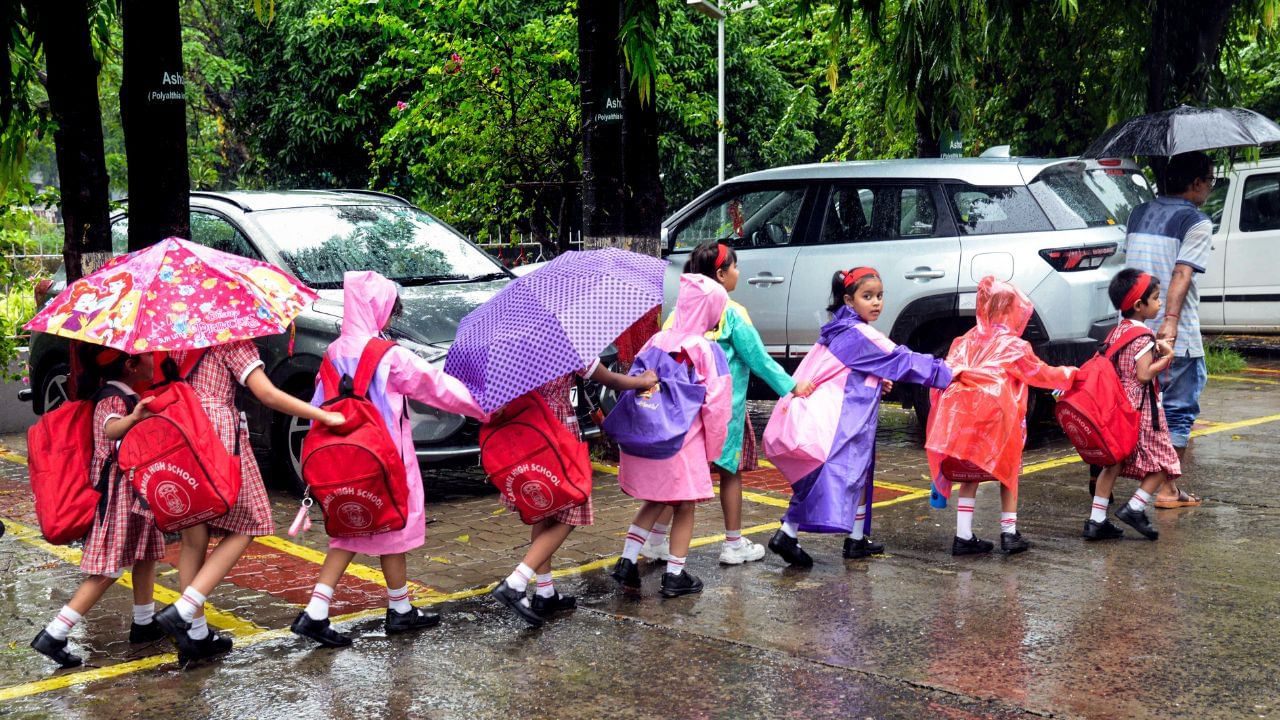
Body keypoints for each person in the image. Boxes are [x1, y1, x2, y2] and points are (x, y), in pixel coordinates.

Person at [291, 271, 490, 647]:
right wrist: (485, 406)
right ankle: (390, 610)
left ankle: (332, 610)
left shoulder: (333, 353)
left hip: (342, 459)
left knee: (349, 531)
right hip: (384, 459)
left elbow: (319, 404)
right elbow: (436, 387)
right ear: (379, 308)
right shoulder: (390, 355)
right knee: (393, 528)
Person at [152, 340, 345, 665]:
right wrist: (320, 414)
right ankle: (185, 609)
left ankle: (196, 633)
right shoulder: (231, 339)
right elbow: (266, 393)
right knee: (250, 522)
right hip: (215, 438)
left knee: (192, 538)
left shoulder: (175, 332)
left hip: (177, 430)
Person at [767, 267, 952, 567]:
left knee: (858, 474)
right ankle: (788, 531)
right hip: (841, 420)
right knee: (831, 476)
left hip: (837, 415)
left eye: (879, 296)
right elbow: (900, 358)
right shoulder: (860, 333)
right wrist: (947, 373)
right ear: (849, 300)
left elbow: (851, 367)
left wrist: (877, 380)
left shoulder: (839, 328)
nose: (876, 302)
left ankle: (855, 538)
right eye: (868, 297)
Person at [647, 242, 814, 566]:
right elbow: (759, 360)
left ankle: (654, 541)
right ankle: (733, 544)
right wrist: (792, 386)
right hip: (725, 411)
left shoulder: (680, 312)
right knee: (730, 474)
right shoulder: (734, 313)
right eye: (735, 267)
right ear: (721, 275)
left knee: (679, 476)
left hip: (686, 412)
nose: (739, 272)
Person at [489, 360, 658, 627]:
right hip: (557, 432)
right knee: (572, 510)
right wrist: (643, 381)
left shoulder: (512, 351)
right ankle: (516, 581)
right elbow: (610, 380)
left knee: (542, 512)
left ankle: (545, 592)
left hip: (527, 432)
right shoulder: (564, 341)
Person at [30, 346, 165, 668]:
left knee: (145, 554)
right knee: (108, 569)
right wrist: (134, 418)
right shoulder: (112, 398)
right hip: (116, 497)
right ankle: (55, 633)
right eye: (147, 356)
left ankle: (144, 621)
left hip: (133, 493)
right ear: (130, 364)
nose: (153, 360)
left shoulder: (128, 392)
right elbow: (111, 429)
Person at [926, 277, 1076, 556]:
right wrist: (1073, 376)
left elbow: (946, 372)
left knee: (968, 473)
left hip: (960, 416)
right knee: (1008, 471)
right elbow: (1040, 374)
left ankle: (963, 535)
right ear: (1012, 310)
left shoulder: (963, 341)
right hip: (997, 415)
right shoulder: (1013, 346)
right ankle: (1009, 533)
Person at [610, 274, 733, 598]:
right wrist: (713, 449)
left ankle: (626, 560)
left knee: (656, 499)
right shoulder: (707, 349)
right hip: (683, 443)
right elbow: (718, 405)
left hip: (648, 436)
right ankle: (675, 574)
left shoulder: (657, 340)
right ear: (710, 311)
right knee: (685, 505)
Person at [1123, 151, 1215, 508]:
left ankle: (1142, 485)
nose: (1209, 187)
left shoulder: (1138, 213)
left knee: (1141, 411)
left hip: (1132, 332)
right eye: (1210, 180)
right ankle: (1164, 490)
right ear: (1196, 183)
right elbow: (1181, 274)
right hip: (1176, 335)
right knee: (1177, 412)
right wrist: (1171, 324)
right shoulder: (1196, 221)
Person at [1083, 269, 1177, 542]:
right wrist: (1167, 357)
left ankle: (1096, 521)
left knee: (1112, 465)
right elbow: (1144, 374)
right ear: (1139, 305)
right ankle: (1135, 506)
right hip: (1141, 410)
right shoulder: (1143, 336)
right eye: (1156, 299)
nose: (1159, 304)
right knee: (1164, 462)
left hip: (1116, 408)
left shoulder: (1117, 331)